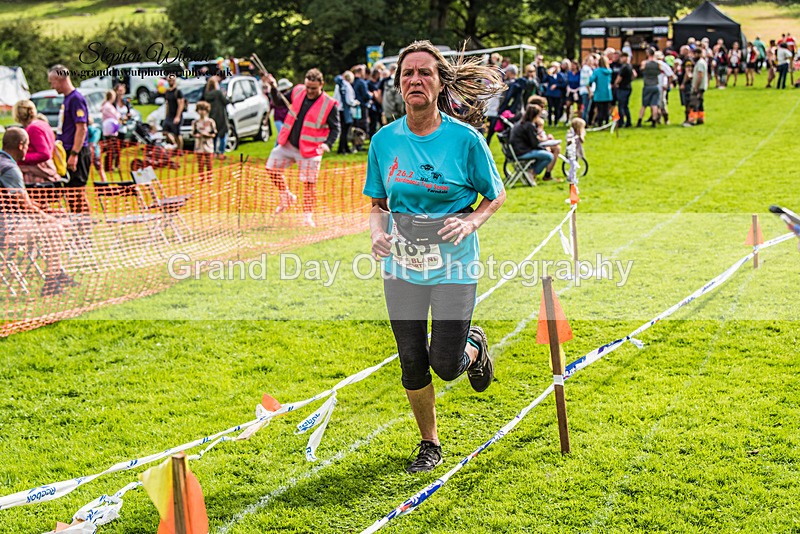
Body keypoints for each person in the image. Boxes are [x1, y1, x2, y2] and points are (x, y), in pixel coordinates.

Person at [364, 40, 505, 474]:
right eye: (408, 74)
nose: (416, 80)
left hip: (454, 264)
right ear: (399, 85)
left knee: (445, 365)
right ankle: (430, 443)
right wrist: (376, 235)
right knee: (411, 359)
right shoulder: (384, 141)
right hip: (402, 264)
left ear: (441, 83)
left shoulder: (465, 140)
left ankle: (474, 348)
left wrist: (470, 222)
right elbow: (377, 203)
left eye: (425, 73)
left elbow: (495, 195)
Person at [0, 127, 74, 296]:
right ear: (20, 145)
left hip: (9, 223)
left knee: (52, 225)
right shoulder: (9, 169)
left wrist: (44, 210)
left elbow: (22, 202)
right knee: (55, 229)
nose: (28, 149)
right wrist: (48, 218)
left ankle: (56, 274)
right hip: (5, 230)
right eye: (28, 145)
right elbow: (24, 205)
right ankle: (52, 281)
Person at [266, 68, 340, 228]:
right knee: (271, 168)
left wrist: (327, 144)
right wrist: (273, 87)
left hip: (311, 150)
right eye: (308, 87)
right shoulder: (298, 90)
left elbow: (336, 128)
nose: (310, 91)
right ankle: (286, 196)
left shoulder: (329, 104)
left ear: (321, 84)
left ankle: (308, 217)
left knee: (309, 184)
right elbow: (279, 102)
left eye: (313, 88)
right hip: (289, 144)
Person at [48, 65, 90, 213]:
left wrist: (74, 154)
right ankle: (77, 228)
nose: (52, 86)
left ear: (60, 79)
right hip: (66, 150)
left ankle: (84, 227)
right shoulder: (67, 99)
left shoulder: (76, 99)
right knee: (70, 193)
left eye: (52, 82)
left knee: (77, 193)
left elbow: (81, 128)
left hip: (76, 151)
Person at [12, 100, 60, 185]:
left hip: (37, 174)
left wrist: (21, 157)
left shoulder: (33, 129)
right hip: (45, 168)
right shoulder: (43, 124)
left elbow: (44, 154)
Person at [509, 104, 554, 182]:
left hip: (517, 150)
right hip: (522, 152)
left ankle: (530, 171)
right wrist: (545, 146)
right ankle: (532, 172)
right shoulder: (529, 125)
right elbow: (534, 144)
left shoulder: (521, 123)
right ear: (535, 115)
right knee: (549, 156)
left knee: (544, 153)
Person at [202, 76, 230, 159]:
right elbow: (225, 101)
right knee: (222, 135)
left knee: (213, 135)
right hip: (220, 116)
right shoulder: (218, 93)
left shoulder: (206, 95)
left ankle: (213, 152)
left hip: (211, 117)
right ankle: (221, 152)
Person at [333, 70, 358, 154]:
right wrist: (355, 102)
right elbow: (349, 100)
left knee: (343, 130)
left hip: (338, 109)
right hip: (346, 110)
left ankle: (344, 147)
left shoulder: (338, 85)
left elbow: (335, 98)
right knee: (345, 131)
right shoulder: (347, 86)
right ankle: (342, 148)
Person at [192, 101, 217, 180]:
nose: (201, 112)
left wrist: (207, 135)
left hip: (208, 145)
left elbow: (214, 134)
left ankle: (210, 177)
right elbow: (193, 133)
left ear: (207, 111)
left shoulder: (210, 122)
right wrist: (198, 135)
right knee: (200, 163)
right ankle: (201, 178)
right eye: (200, 109)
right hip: (199, 145)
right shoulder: (195, 122)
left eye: (203, 110)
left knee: (209, 162)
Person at [637, 48, 661, 127]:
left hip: (647, 85)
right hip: (655, 85)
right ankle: (654, 121)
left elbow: (641, 70)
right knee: (654, 105)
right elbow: (660, 71)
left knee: (644, 105)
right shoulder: (658, 63)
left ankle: (639, 121)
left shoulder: (644, 63)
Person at [686, 47, 708, 126]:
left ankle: (691, 120)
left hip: (699, 87)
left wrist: (696, 87)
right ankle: (700, 119)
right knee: (700, 104)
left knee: (694, 103)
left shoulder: (700, 63)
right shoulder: (701, 62)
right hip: (701, 86)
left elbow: (700, 75)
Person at [163, 74, 186, 149]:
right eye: (169, 80)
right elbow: (167, 104)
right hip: (169, 115)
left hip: (176, 115)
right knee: (165, 131)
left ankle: (180, 150)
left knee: (177, 134)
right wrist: (166, 115)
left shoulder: (178, 92)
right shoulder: (167, 92)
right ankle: (175, 145)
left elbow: (181, 104)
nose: (170, 82)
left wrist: (178, 116)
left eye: (172, 80)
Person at [268, 77, 293, 148]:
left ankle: (277, 148)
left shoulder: (288, 96)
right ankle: (276, 149)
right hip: (278, 119)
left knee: (284, 135)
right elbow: (271, 107)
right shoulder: (277, 97)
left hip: (286, 119)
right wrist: (266, 118)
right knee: (281, 134)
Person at [589, 56, 613, 127]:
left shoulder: (597, 71)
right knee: (606, 110)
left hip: (599, 93)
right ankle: (606, 123)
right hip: (608, 93)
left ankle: (600, 123)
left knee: (599, 110)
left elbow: (591, 80)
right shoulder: (609, 71)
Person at [614, 52, 634, 128]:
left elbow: (619, 77)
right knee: (625, 106)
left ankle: (621, 122)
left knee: (621, 106)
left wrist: (616, 83)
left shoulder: (624, 67)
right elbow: (634, 75)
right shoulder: (630, 66)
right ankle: (628, 121)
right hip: (628, 87)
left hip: (622, 88)